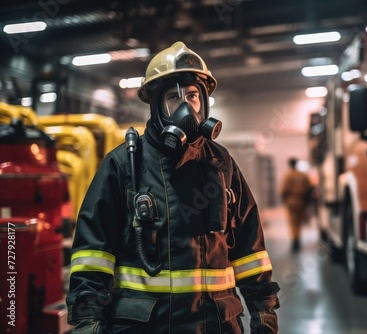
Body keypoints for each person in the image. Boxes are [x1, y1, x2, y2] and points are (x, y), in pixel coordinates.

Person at [66, 41, 280, 334]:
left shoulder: (221, 163)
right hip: (145, 326)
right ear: (155, 107)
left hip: (216, 324)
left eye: (192, 96)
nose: (185, 108)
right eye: (172, 98)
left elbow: (249, 250)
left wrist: (263, 308)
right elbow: (93, 253)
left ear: (204, 102)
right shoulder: (123, 165)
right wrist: (88, 319)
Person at [280, 157, 314, 253]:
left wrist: (284, 199)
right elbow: (310, 188)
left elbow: (284, 190)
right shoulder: (303, 175)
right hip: (301, 202)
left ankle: (295, 240)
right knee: (299, 221)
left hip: (291, 202)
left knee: (293, 222)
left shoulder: (288, 176)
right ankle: (298, 239)